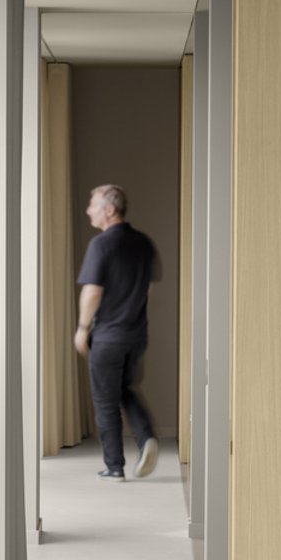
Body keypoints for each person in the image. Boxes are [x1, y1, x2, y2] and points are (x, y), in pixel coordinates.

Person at [74, 184, 160, 481]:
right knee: (124, 390)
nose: (88, 211)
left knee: (104, 399)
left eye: (93, 205)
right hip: (136, 335)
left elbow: (93, 291)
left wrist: (83, 328)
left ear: (109, 210)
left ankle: (114, 466)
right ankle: (146, 436)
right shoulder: (143, 243)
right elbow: (147, 287)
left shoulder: (101, 245)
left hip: (109, 335)